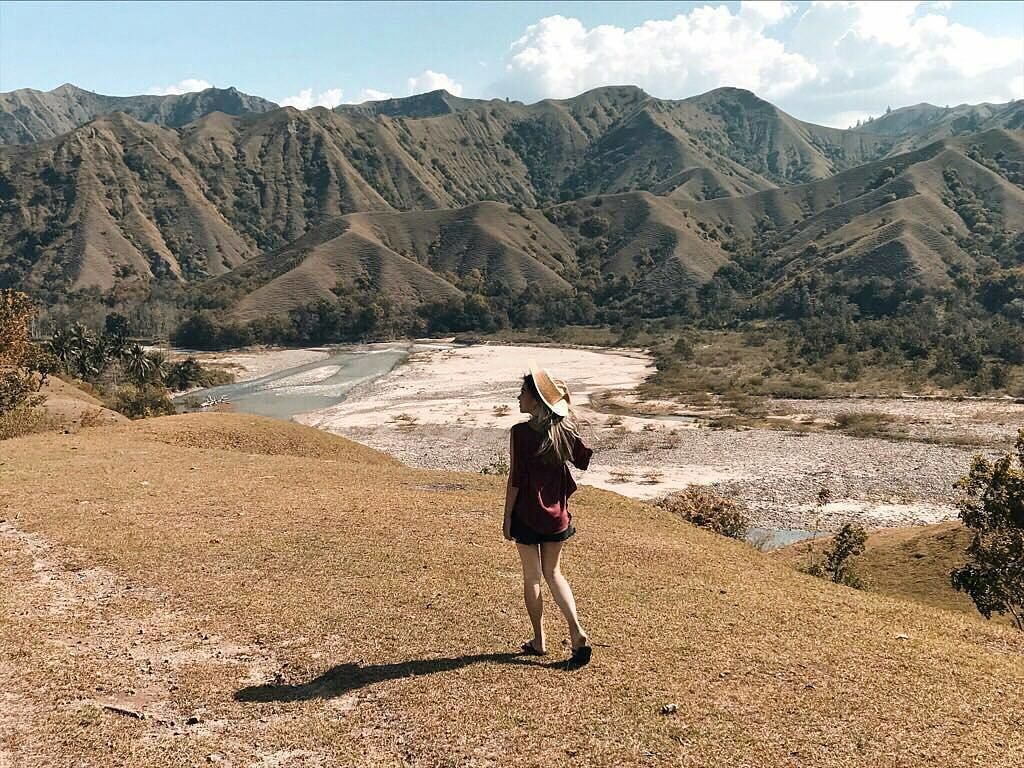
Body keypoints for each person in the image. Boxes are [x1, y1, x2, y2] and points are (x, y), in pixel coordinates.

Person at [503, 362, 594, 667]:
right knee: (554, 574)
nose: (518, 398)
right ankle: (577, 631)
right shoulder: (563, 430)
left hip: (526, 515)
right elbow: (583, 461)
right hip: (557, 517)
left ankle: (539, 639)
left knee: (532, 577)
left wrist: (506, 518)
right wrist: (566, 411)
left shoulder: (519, 433)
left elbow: (515, 479)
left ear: (535, 400)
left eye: (522, 393)